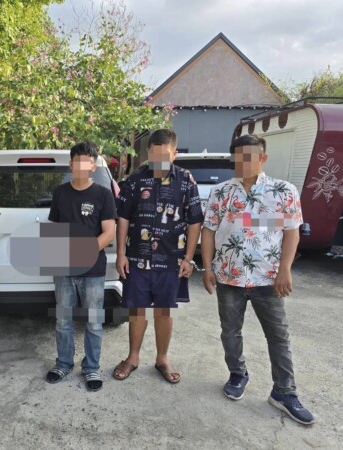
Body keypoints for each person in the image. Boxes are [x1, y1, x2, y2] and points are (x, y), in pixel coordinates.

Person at [201, 134, 315, 425]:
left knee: (278, 336)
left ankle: (284, 392)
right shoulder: (221, 192)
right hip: (229, 276)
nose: (242, 163)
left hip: (267, 278)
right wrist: (207, 267)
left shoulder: (283, 191)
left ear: (263, 158)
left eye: (249, 157)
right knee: (230, 331)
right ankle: (237, 374)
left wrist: (285, 269)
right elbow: (209, 230)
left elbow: (291, 231)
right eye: (238, 158)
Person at [113, 129, 203, 383]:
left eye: (165, 155)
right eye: (155, 155)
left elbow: (195, 220)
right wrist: (120, 254)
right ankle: (132, 357)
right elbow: (123, 218)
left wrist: (188, 258)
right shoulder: (134, 180)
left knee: (164, 312)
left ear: (174, 154)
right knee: (137, 311)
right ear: (148, 153)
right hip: (137, 258)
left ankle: (162, 358)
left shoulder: (185, 180)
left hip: (171, 260)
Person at [45, 141, 117, 392]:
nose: (82, 166)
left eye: (87, 162)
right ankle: (63, 363)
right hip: (63, 269)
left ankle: (92, 367)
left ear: (93, 166)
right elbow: (54, 227)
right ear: (71, 164)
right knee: (63, 321)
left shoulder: (103, 195)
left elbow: (108, 233)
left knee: (94, 322)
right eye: (77, 161)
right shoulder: (60, 193)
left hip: (93, 270)